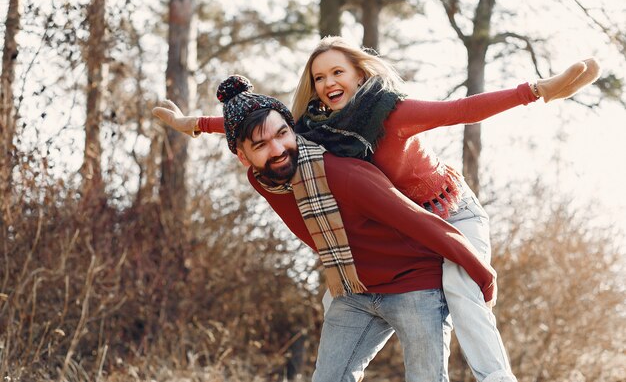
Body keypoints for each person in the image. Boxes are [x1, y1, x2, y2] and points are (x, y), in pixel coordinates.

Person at [288, 36, 601, 382]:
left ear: (360, 75)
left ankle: (497, 378)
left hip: (454, 212)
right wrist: (216, 125)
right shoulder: (316, 133)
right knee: (336, 300)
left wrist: (535, 91)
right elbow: (260, 129)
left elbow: (461, 110)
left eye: (337, 72)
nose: (329, 82)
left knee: (460, 287)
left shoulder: (392, 112)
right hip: (412, 233)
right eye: (319, 78)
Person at [154, 75, 501, 382]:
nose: (277, 149)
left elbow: (421, 223)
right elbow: (236, 125)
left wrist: (481, 274)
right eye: (260, 145)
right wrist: (193, 123)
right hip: (353, 289)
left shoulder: (343, 175)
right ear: (243, 156)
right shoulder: (263, 179)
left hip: (414, 285)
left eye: (282, 134)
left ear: (292, 128)